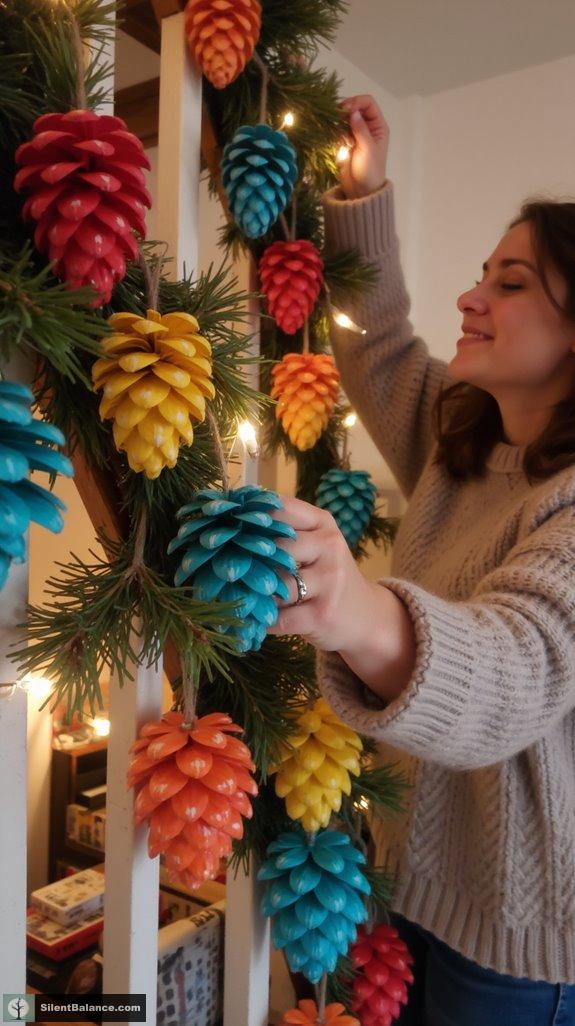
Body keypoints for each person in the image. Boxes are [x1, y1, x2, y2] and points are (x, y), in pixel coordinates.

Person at [268, 95, 575, 1025]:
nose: (470, 297)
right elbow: (384, 352)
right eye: (483, 274)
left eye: (510, 283)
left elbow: (516, 663)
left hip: (520, 953)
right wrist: (365, 198)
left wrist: (353, 610)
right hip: (406, 892)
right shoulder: (463, 440)